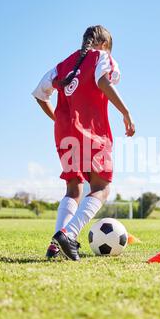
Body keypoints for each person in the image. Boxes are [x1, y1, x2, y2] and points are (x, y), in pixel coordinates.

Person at [32, 25, 135, 261]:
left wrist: (59, 118)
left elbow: (39, 94)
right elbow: (102, 81)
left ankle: (55, 244)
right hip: (91, 132)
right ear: (105, 44)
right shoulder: (102, 57)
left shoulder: (62, 66)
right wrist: (126, 112)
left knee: (74, 188)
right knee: (101, 187)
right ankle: (68, 234)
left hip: (63, 132)